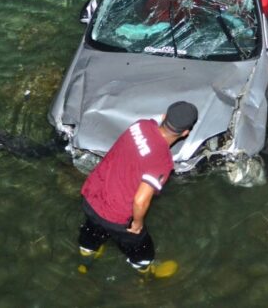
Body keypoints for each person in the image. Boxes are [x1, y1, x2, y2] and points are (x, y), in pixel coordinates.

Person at [77, 101, 198, 276]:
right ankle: (145, 269)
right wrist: (137, 223)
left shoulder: (140, 126)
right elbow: (140, 200)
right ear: (185, 133)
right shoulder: (162, 161)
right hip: (116, 216)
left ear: (163, 117)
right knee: (141, 246)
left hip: (91, 194)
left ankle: (87, 255)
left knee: (92, 228)